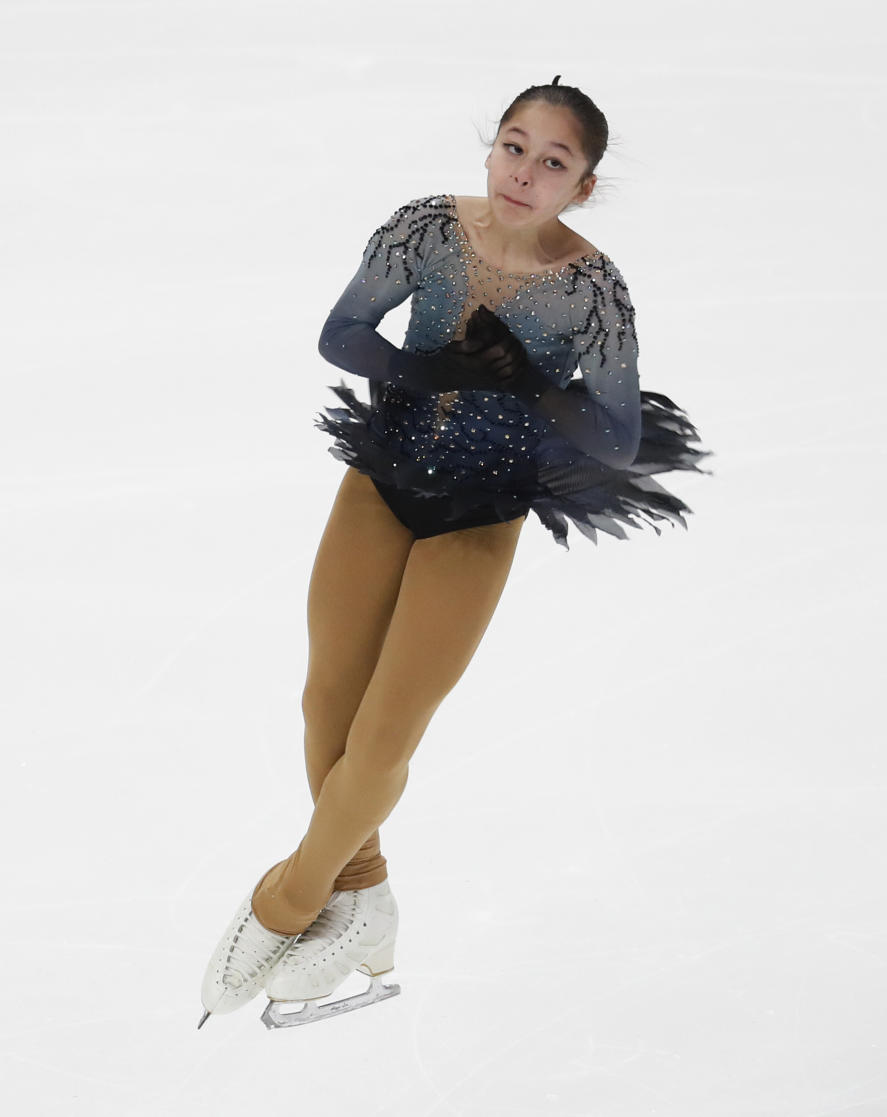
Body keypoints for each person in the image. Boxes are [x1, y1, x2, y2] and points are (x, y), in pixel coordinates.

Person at [199, 76, 711, 1030]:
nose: (526, 172)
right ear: (492, 147)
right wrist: (422, 365)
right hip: (383, 476)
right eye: (514, 146)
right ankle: (368, 894)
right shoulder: (426, 231)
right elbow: (340, 333)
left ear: (582, 186)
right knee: (326, 703)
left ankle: (288, 902)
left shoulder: (592, 290)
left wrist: (534, 388)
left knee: (386, 735)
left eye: (553, 162)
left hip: (480, 510)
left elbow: (616, 441)